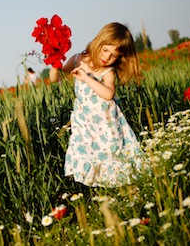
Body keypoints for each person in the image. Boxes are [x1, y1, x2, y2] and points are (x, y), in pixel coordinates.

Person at [50, 22, 147, 188]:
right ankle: (93, 188)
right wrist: (54, 63)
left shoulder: (107, 72)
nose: (107, 57)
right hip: (84, 120)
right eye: (105, 50)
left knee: (111, 156)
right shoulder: (78, 59)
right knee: (83, 152)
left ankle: (121, 189)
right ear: (98, 42)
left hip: (105, 123)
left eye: (114, 55)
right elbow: (56, 76)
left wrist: (86, 78)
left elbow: (109, 94)